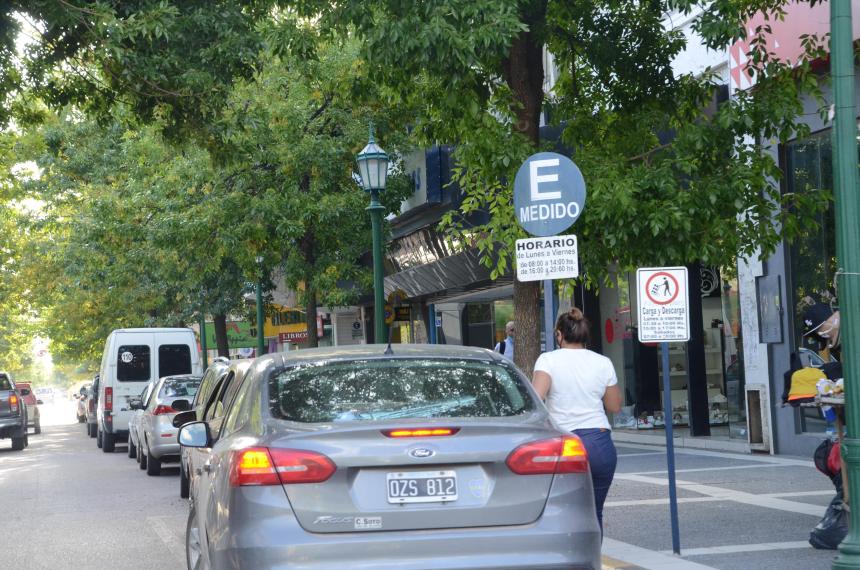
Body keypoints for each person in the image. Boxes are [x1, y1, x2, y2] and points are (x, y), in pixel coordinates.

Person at [531, 307, 622, 534]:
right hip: (599, 442)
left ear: (559, 335)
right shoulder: (603, 362)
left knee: (559, 510)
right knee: (594, 512)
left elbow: (536, 398)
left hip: (564, 443)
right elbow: (614, 406)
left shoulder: (548, 360)